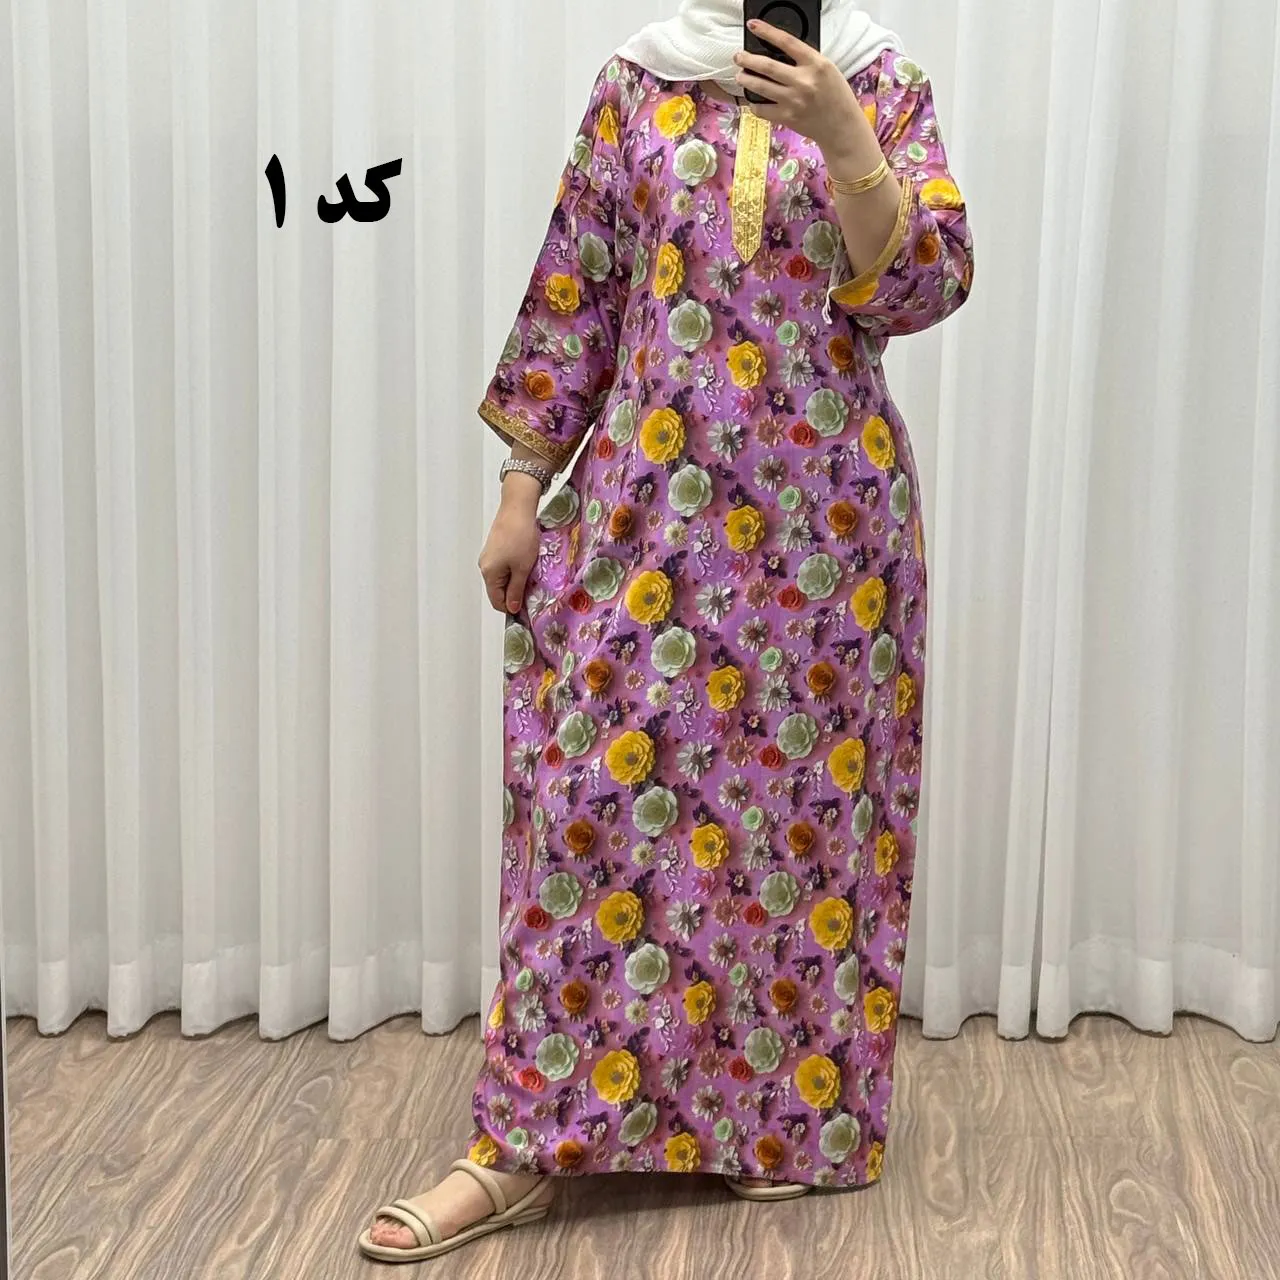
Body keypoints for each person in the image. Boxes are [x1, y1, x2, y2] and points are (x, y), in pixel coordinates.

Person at [359, 0, 973, 1263]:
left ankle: (777, 1119)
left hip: (824, 535)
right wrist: (520, 488)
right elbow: (574, 293)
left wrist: (842, 134)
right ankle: (523, 1140)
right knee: (585, 807)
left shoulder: (878, 82)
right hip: (643, 510)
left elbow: (920, 288)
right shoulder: (634, 84)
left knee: (793, 830)